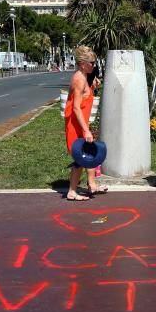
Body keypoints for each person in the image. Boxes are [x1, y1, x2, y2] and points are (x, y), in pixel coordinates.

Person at [64, 46, 106, 201]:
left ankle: (90, 185)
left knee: (87, 154)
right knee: (81, 157)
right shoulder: (79, 79)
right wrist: (85, 130)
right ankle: (72, 191)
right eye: (92, 63)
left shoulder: (84, 78)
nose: (94, 65)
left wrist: (93, 88)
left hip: (81, 123)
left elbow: (84, 100)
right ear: (82, 63)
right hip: (75, 125)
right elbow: (75, 107)